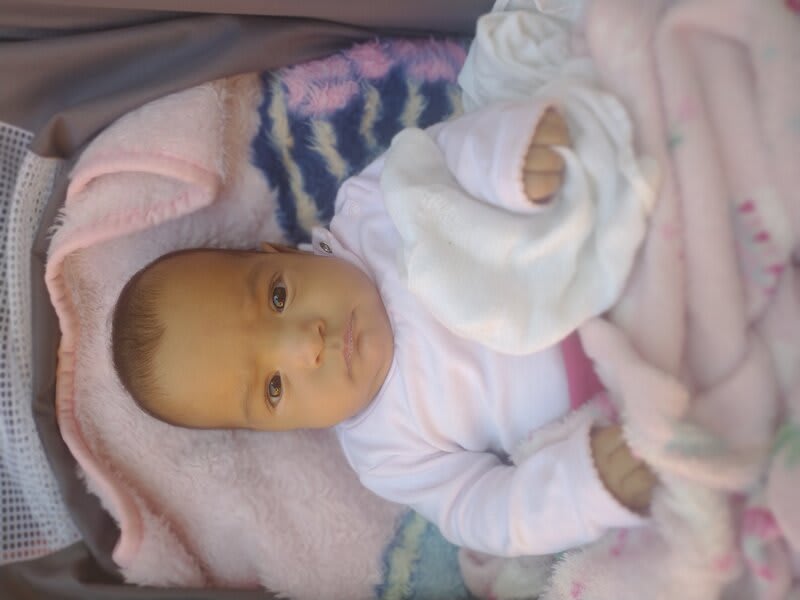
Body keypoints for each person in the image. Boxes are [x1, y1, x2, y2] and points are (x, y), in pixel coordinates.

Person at [112, 100, 657, 558]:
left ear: (282, 253)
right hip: (621, 392)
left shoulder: (371, 209)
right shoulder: (386, 454)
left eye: (278, 297)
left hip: (611, 247)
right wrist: (583, 488)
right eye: (273, 387)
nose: (306, 343)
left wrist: (511, 163)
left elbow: (446, 155)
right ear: (286, 428)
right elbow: (482, 512)